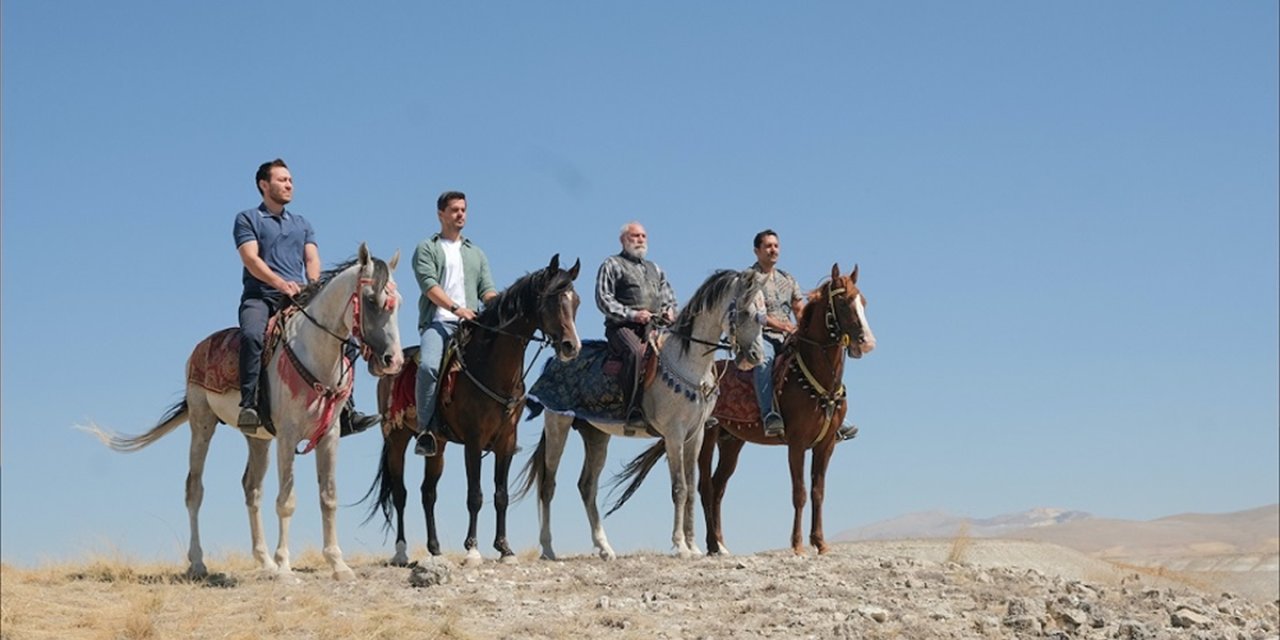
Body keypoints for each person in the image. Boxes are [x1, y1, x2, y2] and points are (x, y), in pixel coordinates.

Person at [233, 158, 379, 436]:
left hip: (298, 298)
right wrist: (279, 282)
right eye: (282, 180)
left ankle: (346, 410)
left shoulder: (302, 224)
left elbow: (311, 258)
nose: (289, 185)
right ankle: (248, 404)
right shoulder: (248, 218)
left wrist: (314, 286)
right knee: (252, 335)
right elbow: (250, 259)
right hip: (260, 296)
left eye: (290, 180)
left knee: (345, 340)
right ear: (264, 185)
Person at [412, 190, 498, 457]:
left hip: (472, 325)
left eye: (463, 209)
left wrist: (502, 305)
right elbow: (429, 287)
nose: (461, 214)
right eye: (455, 210)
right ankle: (426, 430)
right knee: (427, 367)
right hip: (439, 323)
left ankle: (503, 428)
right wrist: (456, 309)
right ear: (441, 215)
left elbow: (487, 290)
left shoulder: (476, 253)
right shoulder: (427, 247)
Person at [596, 222, 677, 424]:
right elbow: (603, 299)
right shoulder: (612, 264)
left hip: (654, 327)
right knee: (636, 353)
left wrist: (669, 311)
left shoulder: (656, 269)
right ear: (623, 240)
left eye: (643, 236)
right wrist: (632, 315)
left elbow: (669, 298)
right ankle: (632, 409)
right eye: (635, 236)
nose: (640, 240)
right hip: (622, 327)